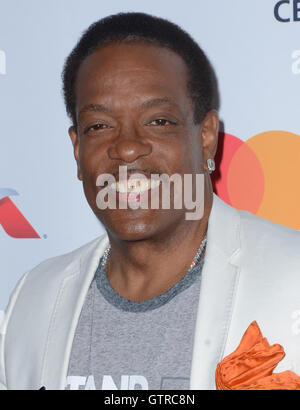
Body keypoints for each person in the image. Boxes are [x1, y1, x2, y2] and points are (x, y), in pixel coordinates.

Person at [1, 12, 300, 391]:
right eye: (99, 126)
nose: (126, 148)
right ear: (77, 149)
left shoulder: (293, 277)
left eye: (158, 121)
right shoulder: (33, 299)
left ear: (206, 136)